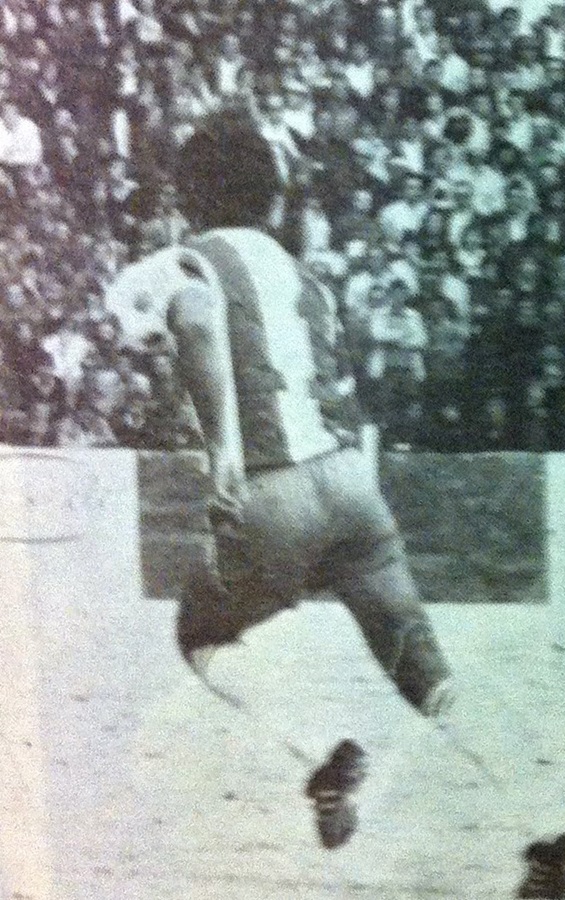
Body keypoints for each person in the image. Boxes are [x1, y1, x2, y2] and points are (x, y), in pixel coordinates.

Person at [105, 109, 454, 851]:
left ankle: (323, 759)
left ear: (188, 196)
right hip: (350, 478)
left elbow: (197, 321)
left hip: (272, 485)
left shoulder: (185, 261)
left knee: (201, 634)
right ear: (272, 196)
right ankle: (544, 825)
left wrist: (224, 458)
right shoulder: (307, 277)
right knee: (419, 661)